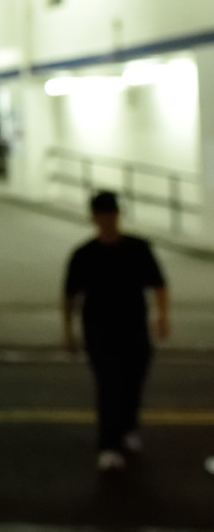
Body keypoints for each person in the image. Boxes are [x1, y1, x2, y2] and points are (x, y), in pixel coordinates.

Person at [63, 190, 169, 473]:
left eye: (111, 214)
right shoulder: (84, 255)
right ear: (94, 218)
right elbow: (70, 295)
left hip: (134, 327)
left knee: (133, 382)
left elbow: (159, 284)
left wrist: (162, 317)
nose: (107, 220)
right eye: (102, 215)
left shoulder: (138, 248)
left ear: (118, 215)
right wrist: (68, 331)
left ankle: (128, 427)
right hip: (99, 330)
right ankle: (108, 444)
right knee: (109, 384)